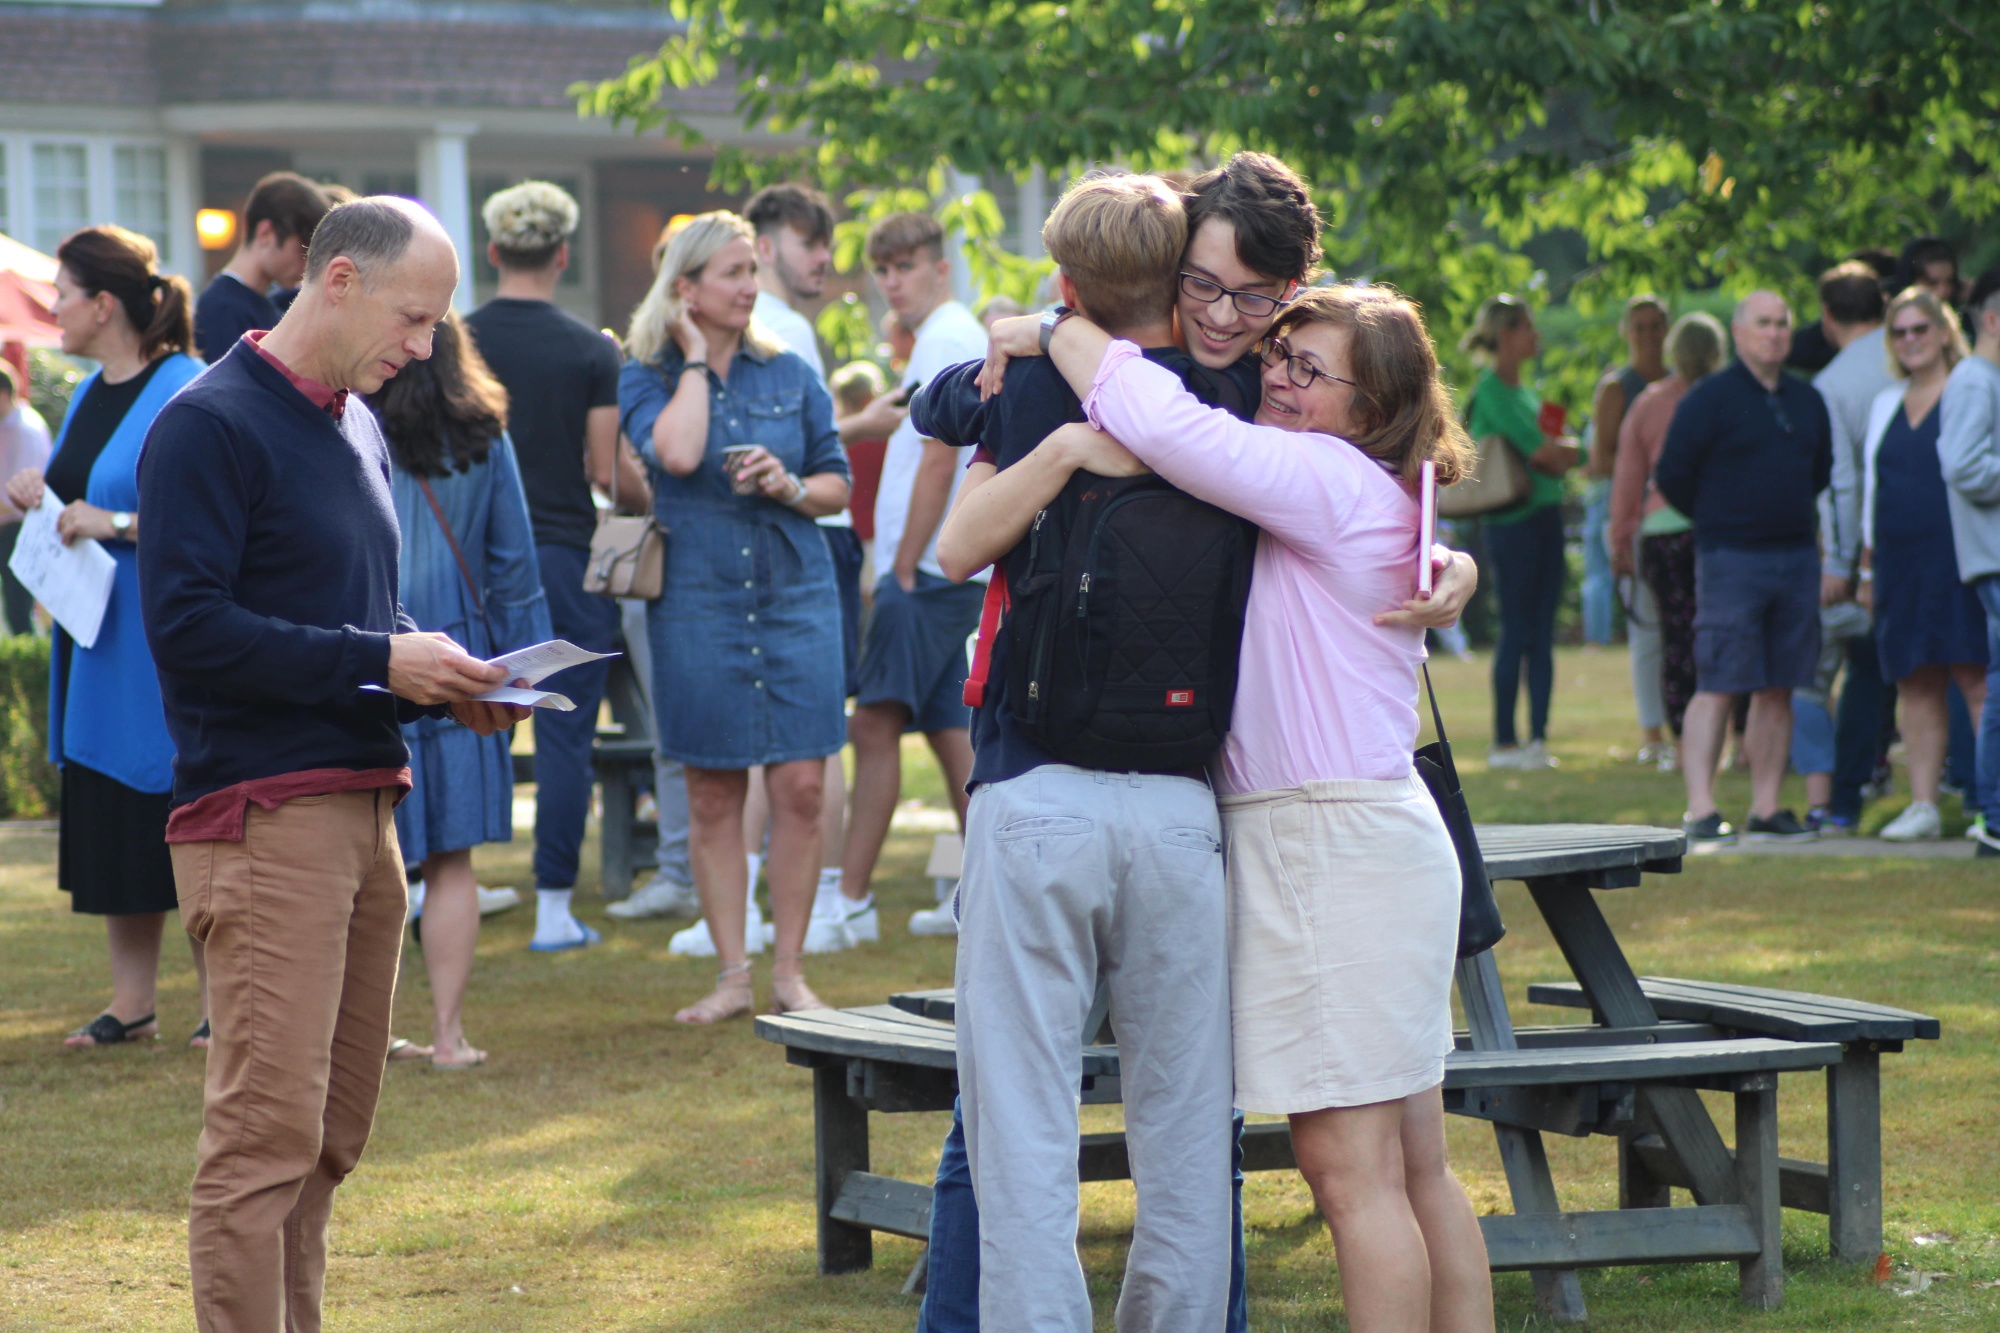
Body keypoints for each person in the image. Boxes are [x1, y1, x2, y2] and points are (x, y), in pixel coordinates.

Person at [918, 166, 1481, 1333]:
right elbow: (942, 401)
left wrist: (1046, 339)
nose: (1240, 331)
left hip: (1270, 827)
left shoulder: (1256, 438)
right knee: (1309, 1147)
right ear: (1164, 271)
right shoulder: (1277, 425)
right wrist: (1024, 339)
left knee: (1328, 1165)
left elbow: (976, 510)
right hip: (1232, 820)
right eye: (1204, 289)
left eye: (1266, 312)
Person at [138, 196, 525, 1331]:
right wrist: (380, 656)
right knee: (263, 1143)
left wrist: (449, 683)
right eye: (415, 317)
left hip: (366, 814)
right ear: (339, 279)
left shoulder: (355, 420)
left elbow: (345, 616)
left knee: (328, 1139)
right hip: (263, 822)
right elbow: (189, 629)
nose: (424, 347)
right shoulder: (207, 422)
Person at [617, 211, 851, 1023]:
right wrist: (692, 360)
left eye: (754, 270)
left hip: (794, 596)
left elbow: (836, 485)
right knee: (714, 793)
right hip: (698, 602)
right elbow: (676, 456)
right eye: (734, 273)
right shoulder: (645, 373)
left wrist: (788, 484)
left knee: (803, 785)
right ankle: (731, 976)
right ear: (686, 290)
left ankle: (789, 972)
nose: (753, 286)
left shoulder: (792, 375)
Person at [1, 227, 206, 1049]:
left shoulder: (187, 387)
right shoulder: (88, 392)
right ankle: (133, 1003)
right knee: (117, 817)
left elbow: (213, 517)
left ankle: (220, 1007)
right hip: (95, 640)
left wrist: (115, 520)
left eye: (62, 293)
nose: (54, 308)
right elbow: (71, 496)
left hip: (158, 646)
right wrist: (35, 493)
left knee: (181, 812)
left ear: (104, 304)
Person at [465, 180, 652, 951]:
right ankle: (551, 908)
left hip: (473, 558)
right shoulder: (587, 348)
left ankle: (442, 882)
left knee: (461, 726)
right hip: (567, 552)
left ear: (492, 251)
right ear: (564, 253)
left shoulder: (457, 341)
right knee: (567, 732)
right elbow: (611, 473)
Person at [374, 311, 552, 1068]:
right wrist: (517, 679)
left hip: (366, 655)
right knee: (451, 862)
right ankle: (448, 1035)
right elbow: (513, 564)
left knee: (360, 863)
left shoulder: (349, 421)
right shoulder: (483, 432)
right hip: (460, 664)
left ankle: (363, 1035)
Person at [837, 212, 989, 936]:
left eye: (906, 266)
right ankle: (983, 892)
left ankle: (852, 900)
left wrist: (900, 563)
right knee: (947, 731)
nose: (893, 282)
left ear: (940, 267)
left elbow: (938, 456)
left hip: (927, 572)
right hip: (936, 568)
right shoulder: (942, 336)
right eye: (884, 270)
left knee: (873, 726)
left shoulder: (950, 336)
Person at [1654, 291, 1832, 844]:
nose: (1775, 333)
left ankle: (1766, 807)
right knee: (1720, 682)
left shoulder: (1808, 399)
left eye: (1783, 323)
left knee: (1780, 686)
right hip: (1730, 558)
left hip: (1797, 556)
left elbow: (1819, 471)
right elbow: (1673, 474)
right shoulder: (1710, 400)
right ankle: (1702, 809)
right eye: (1763, 323)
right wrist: (1723, 516)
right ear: (1738, 332)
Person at [1859, 287, 1987, 841]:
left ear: (1943, 330)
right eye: (1899, 332)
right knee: (1914, 682)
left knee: (1978, 678)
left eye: (1920, 329)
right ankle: (1924, 805)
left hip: (1961, 559)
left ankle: (1992, 803)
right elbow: (1872, 488)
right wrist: (1865, 565)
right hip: (1899, 563)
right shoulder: (1886, 402)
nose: (1910, 340)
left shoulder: (1972, 387)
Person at [1462, 295, 1579, 770]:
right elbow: (1549, 455)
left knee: (1541, 632)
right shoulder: (1491, 389)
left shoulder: (1529, 393)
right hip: (1511, 525)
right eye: (1528, 327)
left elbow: (1570, 452)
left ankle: (1538, 740)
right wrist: (1565, 451)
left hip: (1545, 517)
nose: (1536, 335)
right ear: (1507, 334)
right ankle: (1505, 742)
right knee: (1517, 629)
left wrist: (1565, 451)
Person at [1803, 261, 1895, 834]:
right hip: (1933, 540)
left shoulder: (1832, 384)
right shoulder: (1918, 357)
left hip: (1865, 553)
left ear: (1828, 316)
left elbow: (1842, 480)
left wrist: (1841, 561)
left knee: (1851, 671)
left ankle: (1843, 794)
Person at [1611, 312, 1729, 750]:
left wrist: (1621, 539)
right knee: (1730, 633)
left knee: (1675, 638)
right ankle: (1737, 734)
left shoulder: (1650, 402)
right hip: (1720, 532)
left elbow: (1628, 478)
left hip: (1663, 532)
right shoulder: (1730, 397)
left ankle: (1682, 738)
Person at [1585, 296, 1670, 741]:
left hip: (1677, 520)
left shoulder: (1682, 384)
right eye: (1640, 327)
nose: (1649, 335)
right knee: (1647, 629)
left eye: (1656, 326)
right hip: (1630, 516)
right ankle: (1651, 732)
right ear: (1626, 332)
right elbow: (1599, 461)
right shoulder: (1617, 388)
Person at [1939, 268, 2000, 857]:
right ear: (1991, 320)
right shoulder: (1976, 382)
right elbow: (1961, 466)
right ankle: (1996, 819)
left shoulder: (1983, 380)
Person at [192, 171, 330, 362]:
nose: (307, 266)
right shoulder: (223, 308)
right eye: (302, 252)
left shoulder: (265, 303)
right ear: (266, 233)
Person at [0, 361, 53, 634]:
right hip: (9, 527)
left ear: (4, 394)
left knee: (19, 610)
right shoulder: (8, 426)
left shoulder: (25, 430)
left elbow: (24, 495)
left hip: (20, 528)